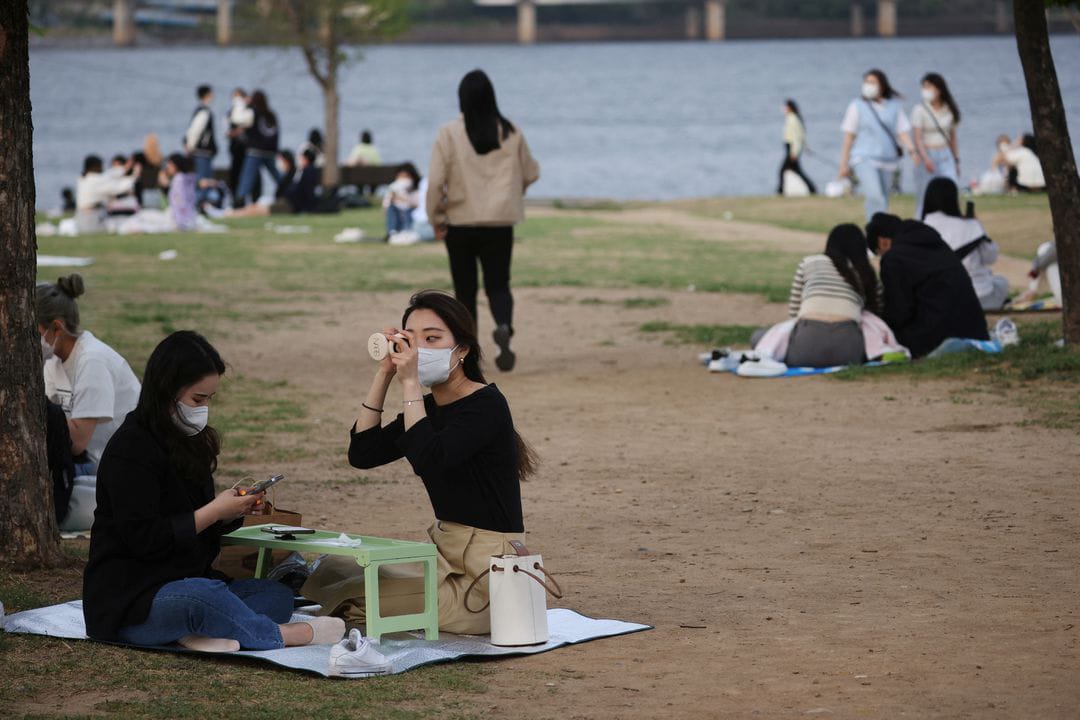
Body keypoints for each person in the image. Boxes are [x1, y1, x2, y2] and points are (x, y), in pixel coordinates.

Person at [82, 331, 345, 652]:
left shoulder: (189, 442)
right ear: (166, 390)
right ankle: (286, 634)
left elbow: (197, 527)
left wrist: (233, 512)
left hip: (190, 580)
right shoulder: (131, 448)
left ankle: (197, 633)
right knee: (202, 597)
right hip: (136, 599)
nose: (203, 409)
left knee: (274, 594)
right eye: (197, 400)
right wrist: (214, 511)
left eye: (209, 399)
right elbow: (145, 539)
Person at [300, 291, 538, 635]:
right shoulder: (426, 407)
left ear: (463, 350)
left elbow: (432, 460)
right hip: (444, 558)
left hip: (488, 573)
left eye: (433, 339)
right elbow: (363, 454)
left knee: (359, 600)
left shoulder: (486, 405)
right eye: (412, 339)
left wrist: (409, 382)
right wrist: (384, 374)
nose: (420, 349)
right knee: (336, 570)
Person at [427, 69, 540, 372]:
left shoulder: (448, 133)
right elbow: (531, 172)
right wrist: (513, 193)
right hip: (500, 222)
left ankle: (469, 356)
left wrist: (436, 217)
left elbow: (436, 181)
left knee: (465, 291)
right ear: (492, 97)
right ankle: (503, 325)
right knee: (499, 285)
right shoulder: (510, 132)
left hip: (460, 223)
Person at [37, 274, 141, 530]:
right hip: (90, 468)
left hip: (119, 471)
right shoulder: (54, 360)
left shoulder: (92, 361)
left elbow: (75, 442)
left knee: (47, 509)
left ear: (56, 328)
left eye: (33, 332)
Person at [865, 213, 989, 358]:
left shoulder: (894, 258)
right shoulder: (934, 242)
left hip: (938, 335)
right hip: (974, 329)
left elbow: (900, 312)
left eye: (880, 253)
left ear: (882, 242)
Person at [780, 224, 881, 367]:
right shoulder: (866, 273)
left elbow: (794, 313)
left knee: (760, 337)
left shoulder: (810, 262)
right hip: (850, 353)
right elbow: (878, 312)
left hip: (804, 351)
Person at [837, 69, 917, 221]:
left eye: (872, 82)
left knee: (883, 200)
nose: (868, 85)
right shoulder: (857, 106)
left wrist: (913, 151)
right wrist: (844, 164)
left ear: (882, 85)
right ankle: (875, 236)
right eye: (866, 82)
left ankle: (877, 234)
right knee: (875, 197)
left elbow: (902, 132)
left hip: (888, 160)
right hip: (863, 158)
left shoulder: (894, 106)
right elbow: (848, 137)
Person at [921, 178, 1009, 310]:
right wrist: (977, 225)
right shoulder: (971, 225)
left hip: (940, 301)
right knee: (1002, 282)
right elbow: (991, 257)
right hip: (979, 298)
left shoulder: (921, 228)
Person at [911, 72, 961, 219]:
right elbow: (917, 138)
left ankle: (952, 221)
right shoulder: (919, 110)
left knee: (951, 188)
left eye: (929, 86)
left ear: (939, 89)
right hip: (927, 154)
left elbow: (952, 137)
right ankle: (921, 223)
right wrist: (925, 158)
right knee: (924, 194)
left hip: (946, 154)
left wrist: (956, 159)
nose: (925, 90)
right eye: (924, 87)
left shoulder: (949, 109)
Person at [117, 154, 198, 234]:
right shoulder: (187, 178)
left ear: (175, 165)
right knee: (144, 216)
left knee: (143, 217)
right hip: (185, 219)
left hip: (175, 219)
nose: (167, 167)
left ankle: (127, 229)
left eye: (170, 164)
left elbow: (179, 202)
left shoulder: (178, 179)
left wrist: (166, 187)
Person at [234, 90, 282, 206]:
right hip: (270, 151)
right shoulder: (271, 115)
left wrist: (240, 103)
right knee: (277, 176)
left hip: (255, 151)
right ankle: (289, 192)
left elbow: (237, 119)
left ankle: (239, 201)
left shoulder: (253, 113)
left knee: (247, 178)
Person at [75, 155, 139, 234]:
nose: (102, 168)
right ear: (96, 166)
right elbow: (119, 187)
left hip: (81, 219)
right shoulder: (96, 181)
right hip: (92, 220)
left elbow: (107, 175)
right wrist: (135, 176)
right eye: (100, 166)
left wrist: (124, 168)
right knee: (127, 224)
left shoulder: (84, 179)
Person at [185, 84, 217, 205]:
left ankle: (202, 204)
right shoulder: (204, 112)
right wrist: (190, 147)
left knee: (203, 180)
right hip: (202, 152)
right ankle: (198, 204)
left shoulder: (202, 110)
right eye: (212, 93)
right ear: (207, 94)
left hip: (202, 152)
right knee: (202, 181)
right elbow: (195, 131)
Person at [226, 88, 259, 201]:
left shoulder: (251, 110)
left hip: (249, 150)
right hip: (236, 150)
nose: (236, 100)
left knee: (252, 176)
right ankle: (237, 200)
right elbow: (228, 131)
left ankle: (254, 199)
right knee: (236, 175)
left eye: (239, 97)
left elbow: (249, 125)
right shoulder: (231, 112)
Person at [778, 99, 816, 195]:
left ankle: (780, 191)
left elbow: (797, 137)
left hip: (792, 150)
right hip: (791, 149)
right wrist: (806, 147)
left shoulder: (793, 119)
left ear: (790, 107)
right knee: (797, 171)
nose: (784, 109)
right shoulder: (792, 118)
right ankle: (812, 189)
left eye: (785, 107)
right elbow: (801, 135)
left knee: (782, 171)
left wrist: (794, 152)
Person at [383, 163, 421, 239]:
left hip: (410, 217)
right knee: (392, 208)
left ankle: (406, 231)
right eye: (401, 176)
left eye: (406, 176)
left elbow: (419, 206)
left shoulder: (418, 190)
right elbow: (385, 208)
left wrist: (403, 199)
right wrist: (392, 199)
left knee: (409, 210)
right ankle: (392, 232)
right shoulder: (393, 189)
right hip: (398, 217)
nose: (403, 180)